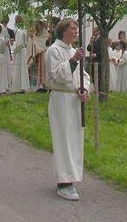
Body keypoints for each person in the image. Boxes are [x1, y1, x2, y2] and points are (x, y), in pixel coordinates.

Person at [45, 18, 90, 201]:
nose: (76, 32)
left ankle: (71, 177)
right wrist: (73, 61)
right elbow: (58, 75)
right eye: (73, 29)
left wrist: (84, 89)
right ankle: (63, 183)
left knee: (74, 139)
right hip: (61, 99)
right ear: (63, 30)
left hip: (74, 100)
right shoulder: (53, 51)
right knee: (63, 139)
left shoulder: (73, 51)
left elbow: (84, 76)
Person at [10, 15, 31, 93]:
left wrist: (14, 50)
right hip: (24, 51)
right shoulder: (24, 30)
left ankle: (17, 87)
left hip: (19, 52)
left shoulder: (19, 31)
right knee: (23, 68)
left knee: (18, 68)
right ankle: (23, 86)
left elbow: (19, 43)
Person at [28, 20, 49, 91]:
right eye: (36, 26)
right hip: (35, 54)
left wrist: (39, 48)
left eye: (38, 26)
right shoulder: (34, 35)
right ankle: (33, 85)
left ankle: (42, 83)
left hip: (43, 54)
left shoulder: (45, 34)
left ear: (41, 26)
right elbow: (33, 42)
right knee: (31, 66)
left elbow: (43, 43)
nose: (36, 28)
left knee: (42, 68)